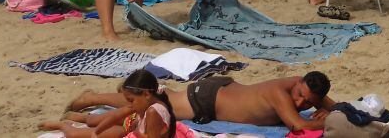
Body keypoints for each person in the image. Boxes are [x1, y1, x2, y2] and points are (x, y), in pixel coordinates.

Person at [65, 73, 334, 132]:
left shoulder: (301, 85)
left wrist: (328, 107)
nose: (299, 101)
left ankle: (94, 99)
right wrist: (322, 119)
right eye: (299, 94)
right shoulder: (280, 94)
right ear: (298, 83)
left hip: (222, 90)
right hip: (206, 100)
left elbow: (333, 105)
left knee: (166, 98)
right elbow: (298, 125)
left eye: (307, 102)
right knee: (153, 104)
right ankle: (91, 98)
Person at [40, 69, 190, 138]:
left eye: (131, 99)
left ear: (146, 94)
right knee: (93, 121)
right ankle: (75, 119)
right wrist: (98, 131)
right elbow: (116, 115)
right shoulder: (142, 105)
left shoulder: (153, 112)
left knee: (77, 134)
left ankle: (63, 126)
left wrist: (134, 130)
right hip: (131, 126)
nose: (129, 104)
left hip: (129, 129)